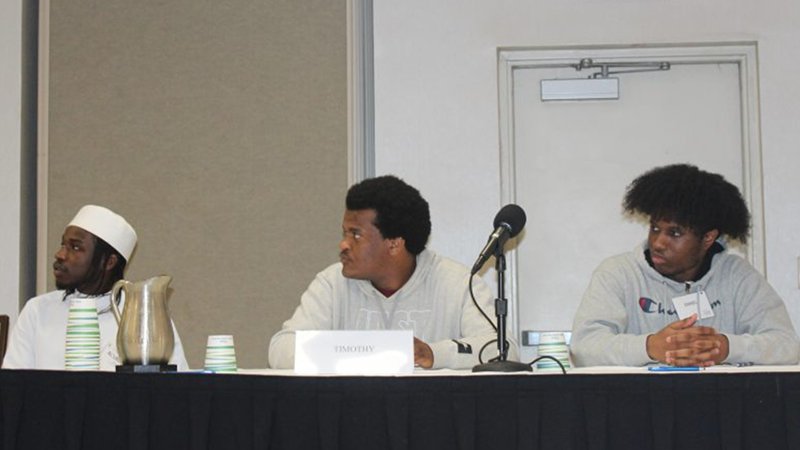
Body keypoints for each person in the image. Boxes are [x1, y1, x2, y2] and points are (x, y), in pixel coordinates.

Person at [269, 175, 514, 370]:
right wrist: (360, 351)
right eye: (344, 233)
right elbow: (280, 350)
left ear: (395, 244)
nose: (343, 245)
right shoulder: (331, 283)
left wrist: (432, 353)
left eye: (356, 234)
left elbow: (504, 349)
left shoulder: (458, 284)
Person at [571, 164, 800, 367]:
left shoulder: (737, 276)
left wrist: (727, 348)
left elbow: (788, 346)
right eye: (655, 228)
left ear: (708, 238)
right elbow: (584, 348)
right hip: (640, 409)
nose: (658, 243)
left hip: (716, 407)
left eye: (675, 233)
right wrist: (650, 347)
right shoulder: (618, 273)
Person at [4, 205, 189, 371]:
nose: (60, 255)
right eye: (63, 245)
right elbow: (12, 391)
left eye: (75, 248)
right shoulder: (38, 311)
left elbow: (175, 389)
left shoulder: (145, 319)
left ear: (109, 262)